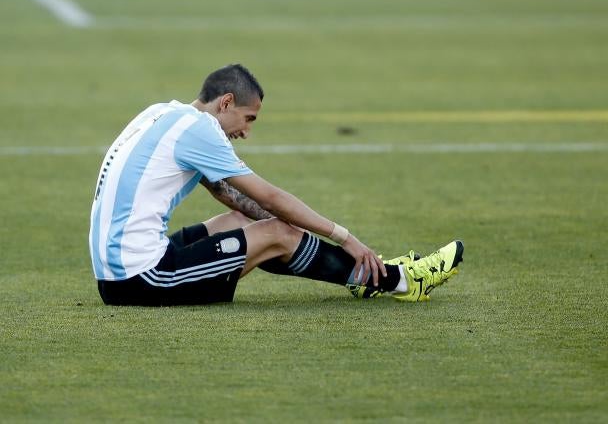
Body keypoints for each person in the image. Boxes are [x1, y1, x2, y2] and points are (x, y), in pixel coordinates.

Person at [88, 64, 464, 306]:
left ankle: (367, 272)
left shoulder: (163, 113)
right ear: (227, 102)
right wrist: (343, 236)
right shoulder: (200, 130)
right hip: (141, 278)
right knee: (276, 233)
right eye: (247, 119)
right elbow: (269, 197)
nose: (246, 133)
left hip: (115, 272)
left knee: (242, 221)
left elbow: (227, 195)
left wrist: (294, 229)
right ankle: (399, 281)